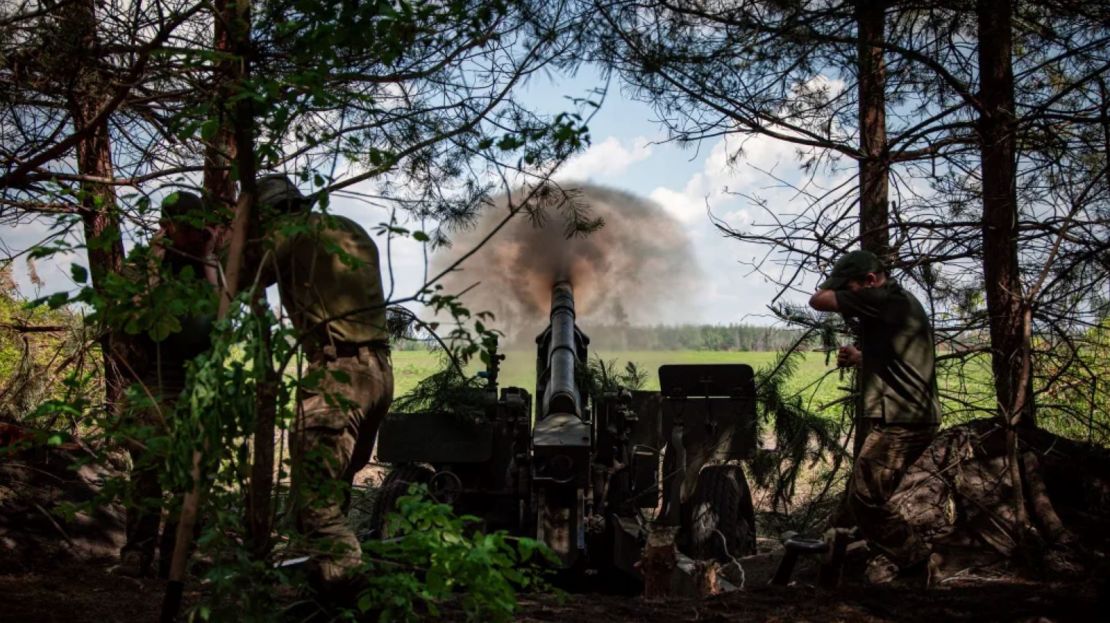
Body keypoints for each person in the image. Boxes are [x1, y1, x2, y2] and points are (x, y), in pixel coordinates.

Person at [250, 174, 394, 595]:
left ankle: (351, 586)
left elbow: (244, 276)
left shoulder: (290, 234)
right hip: (378, 373)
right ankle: (325, 593)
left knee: (314, 504)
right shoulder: (350, 229)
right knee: (334, 490)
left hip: (338, 376)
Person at [808, 249, 941, 583]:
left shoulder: (883, 298)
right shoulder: (895, 303)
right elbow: (897, 357)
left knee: (866, 498)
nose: (846, 293)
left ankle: (915, 563)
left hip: (905, 418)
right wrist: (860, 357)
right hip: (903, 414)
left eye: (849, 286)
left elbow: (819, 300)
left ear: (869, 280)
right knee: (866, 497)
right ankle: (861, 565)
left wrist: (841, 292)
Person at [117, 191, 219, 577]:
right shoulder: (142, 265)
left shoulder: (207, 265)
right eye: (188, 230)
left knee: (193, 472)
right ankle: (137, 552)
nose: (196, 236)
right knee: (147, 465)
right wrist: (156, 265)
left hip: (197, 378)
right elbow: (136, 316)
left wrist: (208, 259)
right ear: (168, 227)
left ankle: (177, 556)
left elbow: (223, 317)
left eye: (201, 229)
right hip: (154, 378)